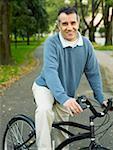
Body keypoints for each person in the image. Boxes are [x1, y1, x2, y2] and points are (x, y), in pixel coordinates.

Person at [32, 6, 107, 150]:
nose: (69, 27)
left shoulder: (86, 45)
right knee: (44, 110)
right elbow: (50, 72)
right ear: (59, 25)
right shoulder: (52, 43)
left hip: (65, 92)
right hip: (45, 87)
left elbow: (93, 73)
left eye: (73, 23)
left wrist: (101, 98)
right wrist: (64, 98)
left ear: (78, 23)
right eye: (65, 24)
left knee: (62, 133)